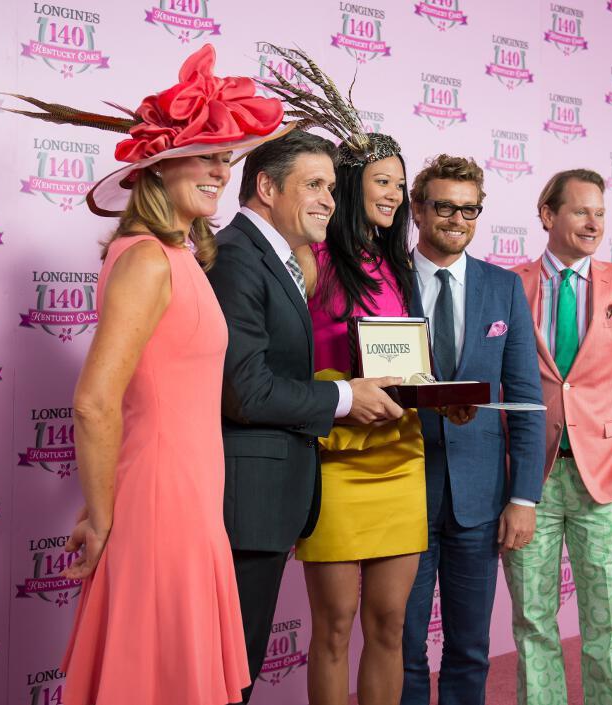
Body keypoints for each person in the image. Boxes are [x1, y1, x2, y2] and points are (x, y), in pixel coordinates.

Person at [18, 45, 289, 705]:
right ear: (160, 165)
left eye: (226, 158)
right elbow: (95, 403)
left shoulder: (180, 256)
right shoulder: (146, 260)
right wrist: (108, 517)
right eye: (207, 156)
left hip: (186, 499)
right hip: (160, 503)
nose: (221, 172)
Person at [207, 128, 405, 703]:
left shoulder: (274, 258)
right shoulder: (239, 258)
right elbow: (244, 391)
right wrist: (346, 398)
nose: (328, 199)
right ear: (266, 186)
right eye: (314, 184)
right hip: (246, 501)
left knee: (236, 668)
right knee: (230, 672)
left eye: (332, 187)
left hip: (270, 500)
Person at [284, 131, 429, 705]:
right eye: (382, 182)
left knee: (390, 624)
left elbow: (408, 364)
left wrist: (442, 396)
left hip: (400, 455)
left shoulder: (397, 266)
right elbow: (278, 366)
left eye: (399, 184)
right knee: (336, 626)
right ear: (350, 185)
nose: (394, 195)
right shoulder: (309, 259)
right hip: (337, 457)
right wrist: (341, 392)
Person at [504, 169, 612, 705]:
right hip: (529, 481)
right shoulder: (508, 285)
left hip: (608, 477)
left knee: (607, 625)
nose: (594, 223)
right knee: (533, 623)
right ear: (548, 215)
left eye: (600, 212)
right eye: (580, 211)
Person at [399, 154, 546, 705]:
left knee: (470, 647)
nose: (456, 219)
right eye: (444, 206)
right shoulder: (383, 281)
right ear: (417, 209)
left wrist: (524, 496)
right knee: (401, 643)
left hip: (480, 500)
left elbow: (527, 403)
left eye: (469, 209)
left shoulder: (503, 288)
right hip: (400, 489)